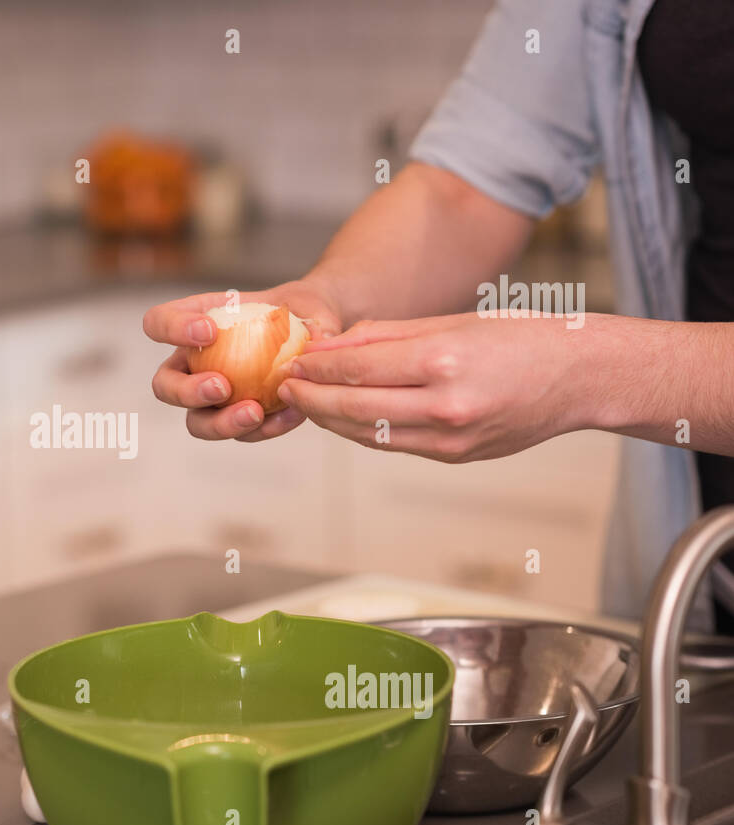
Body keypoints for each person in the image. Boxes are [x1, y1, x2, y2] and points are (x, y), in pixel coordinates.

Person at [143, 0, 734, 632]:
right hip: (703, 579)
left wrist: (587, 369)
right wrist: (325, 302)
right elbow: (466, 185)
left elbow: (585, 362)